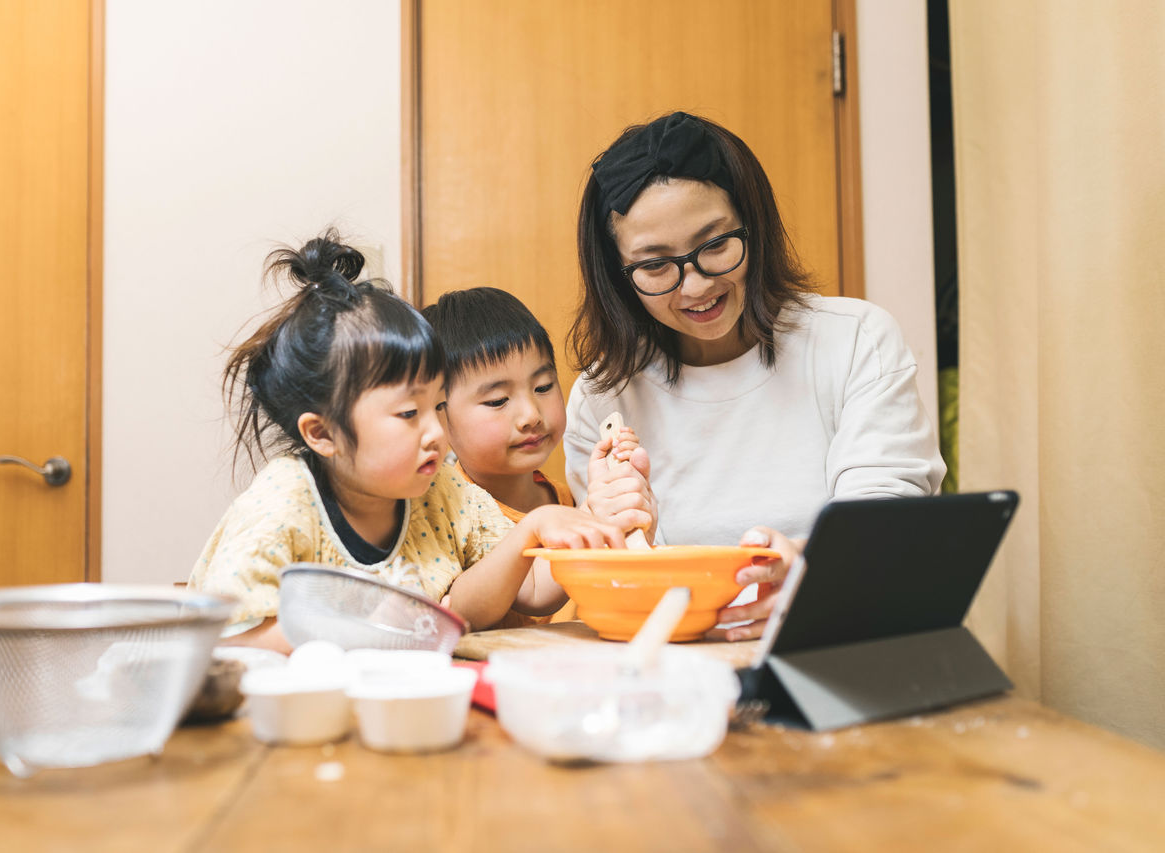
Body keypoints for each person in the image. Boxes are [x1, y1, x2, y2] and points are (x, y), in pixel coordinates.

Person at [565, 112, 946, 641]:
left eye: (715, 245)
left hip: (845, 638)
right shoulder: (603, 397)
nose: (695, 286)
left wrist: (814, 580)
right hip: (683, 663)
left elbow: (882, 528)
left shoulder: (855, 340)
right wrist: (617, 533)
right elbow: (621, 580)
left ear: (754, 225)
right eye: (655, 266)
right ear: (618, 276)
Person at [189, 232, 624, 652]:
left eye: (438, 406)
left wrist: (569, 519)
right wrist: (362, 632)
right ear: (323, 434)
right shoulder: (286, 500)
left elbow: (530, 590)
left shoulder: (445, 492)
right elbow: (227, 634)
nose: (436, 432)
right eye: (409, 414)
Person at [422, 287, 654, 625]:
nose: (531, 414)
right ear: (440, 415)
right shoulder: (446, 510)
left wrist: (634, 517)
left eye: (543, 387)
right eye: (498, 400)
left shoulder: (564, 498)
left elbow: (619, 586)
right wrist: (592, 515)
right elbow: (531, 593)